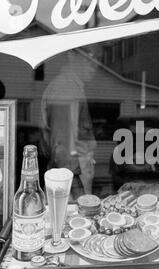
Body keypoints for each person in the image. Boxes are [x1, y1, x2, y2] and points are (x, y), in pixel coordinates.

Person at [41, 52, 97, 200]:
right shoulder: (65, 89)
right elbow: (62, 145)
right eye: (89, 59)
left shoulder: (72, 87)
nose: (95, 65)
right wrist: (79, 195)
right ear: (72, 57)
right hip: (70, 186)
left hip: (71, 179)